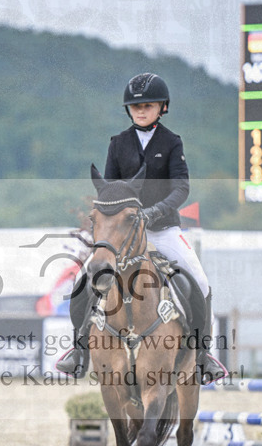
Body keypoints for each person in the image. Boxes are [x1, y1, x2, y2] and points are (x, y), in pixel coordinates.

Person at [56, 72, 224, 382]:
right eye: (135, 107)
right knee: (85, 280)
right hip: (123, 233)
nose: (141, 111)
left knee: (199, 281)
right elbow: (108, 190)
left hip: (163, 229)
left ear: (162, 107)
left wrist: (155, 211)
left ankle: (203, 356)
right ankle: (79, 349)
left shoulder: (172, 143)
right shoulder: (118, 144)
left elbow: (181, 188)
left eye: (147, 106)